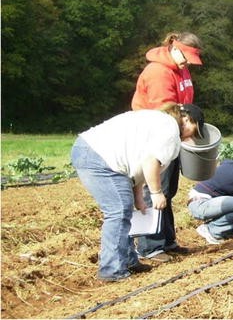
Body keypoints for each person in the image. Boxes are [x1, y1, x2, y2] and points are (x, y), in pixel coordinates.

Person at [71, 103, 205, 281]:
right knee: (118, 211)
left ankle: (128, 260)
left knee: (125, 208)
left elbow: (136, 159)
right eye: (194, 132)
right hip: (98, 156)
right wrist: (156, 192)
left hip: (91, 151)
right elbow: (151, 161)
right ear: (187, 120)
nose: (190, 139)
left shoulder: (159, 121)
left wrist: (137, 196)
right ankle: (112, 269)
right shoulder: (170, 128)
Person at [131, 31, 203, 262]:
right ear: (173, 46)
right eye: (185, 56)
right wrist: (184, 134)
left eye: (191, 59)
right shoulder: (158, 73)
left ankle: (167, 240)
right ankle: (149, 247)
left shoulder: (181, 69)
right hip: (156, 136)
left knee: (168, 191)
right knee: (155, 190)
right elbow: (166, 111)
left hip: (173, 134)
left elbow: (185, 105)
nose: (187, 63)